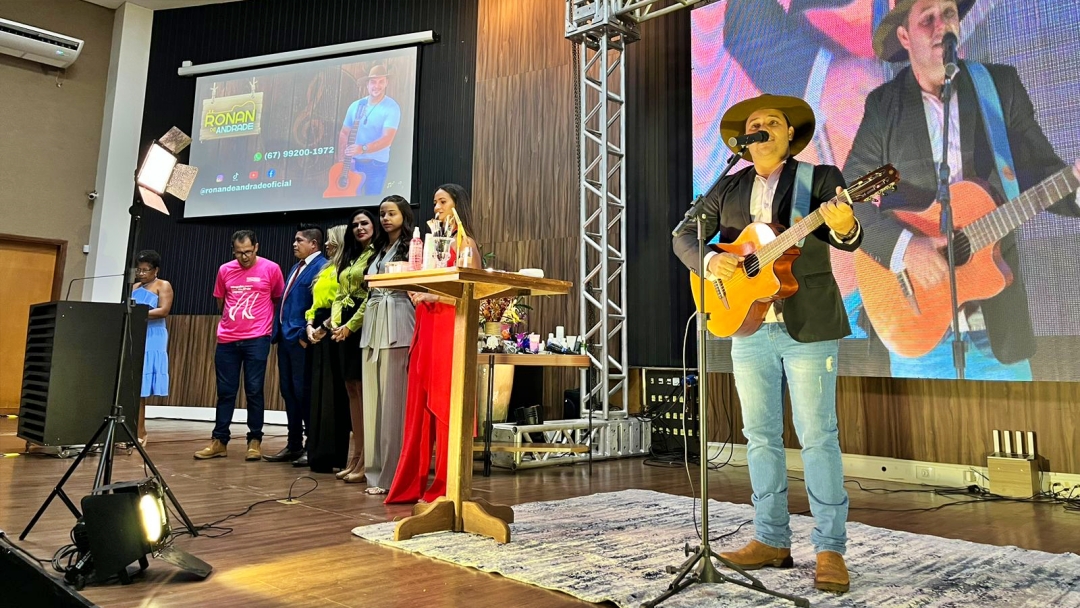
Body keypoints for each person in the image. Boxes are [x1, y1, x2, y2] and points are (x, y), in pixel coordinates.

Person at [672, 95, 862, 593]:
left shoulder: (819, 179)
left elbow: (849, 236)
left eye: (771, 123)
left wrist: (845, 224)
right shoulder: (729, 186)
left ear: (789, 135)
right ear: (743, 141)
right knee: (759, 435)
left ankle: (829, 549)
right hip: (747, 324)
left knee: (818, 435)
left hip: (809, 323)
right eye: (753, 125)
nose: (761, 129)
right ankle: (772, 539)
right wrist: (713, 263)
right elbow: (684, 236)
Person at [844, 0, 1080, 380]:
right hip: (915, 324)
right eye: (928, 19)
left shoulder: (997, 88)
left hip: (997, 325)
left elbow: (1040, 173)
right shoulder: (885, 108)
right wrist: (906, 250)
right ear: (904, 36)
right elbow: (849, 201)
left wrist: (1076, 185)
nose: (943, 26)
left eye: (949, 13)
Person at [386, 183, 480, 505]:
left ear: (457, 205)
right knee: (418, 406)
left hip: (448, 328)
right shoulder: (430, 245)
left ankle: (444, 484)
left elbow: (471, 291)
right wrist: (417, 291)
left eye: (442, 201)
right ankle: (409, 483)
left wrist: (432, 294)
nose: (436, 207)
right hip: (426, 325)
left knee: (444, 405)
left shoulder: (465, 243)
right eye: (434, 202)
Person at [195, 230, 284, 461]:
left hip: (257, 338)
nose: (244, 257)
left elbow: (277, 298)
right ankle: (219, 441)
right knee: (225, 392)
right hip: (227, 340)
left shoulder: (271, 269)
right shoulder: (225, 270)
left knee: (254, 390)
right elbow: (220, 300)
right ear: (233, 251)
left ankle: (254, 441)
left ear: (256, 247)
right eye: (239, 253)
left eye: (248, 252)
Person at [361, 196, 417, 495]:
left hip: (397, 322)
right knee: (374, 402)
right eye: (381, 213)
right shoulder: (378, 249)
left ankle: (391, 475)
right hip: (373, 324)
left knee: (393, 405)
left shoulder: (414, 246)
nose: (384, 218)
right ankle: (374, 471)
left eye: (391, 213)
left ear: (403, 215)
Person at [265, 224, 328, 466]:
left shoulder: (321, 267)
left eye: (299, 240)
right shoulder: (295, 266)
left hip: (302, 340)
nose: (294, 244)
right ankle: (293, 445)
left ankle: (310, 446)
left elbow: (319, 305)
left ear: (314, 244)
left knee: (304, 394)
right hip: (285, 340)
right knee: (288, 392)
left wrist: (303, 333)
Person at [332, 209, 379, 483]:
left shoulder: (377, 254)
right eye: (355, 225)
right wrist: (338, 323)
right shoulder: (349, 255)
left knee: (362, 389)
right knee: (351, 388)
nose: (359, 228)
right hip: (344, 327)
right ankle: (355, 454)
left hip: (364, 323)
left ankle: (366, 459)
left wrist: (351, 326)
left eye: (364, 223)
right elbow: (340, 294)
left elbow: (370, 295)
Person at [305, 226, 352, 473]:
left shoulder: (345, 269)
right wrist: (309, 323)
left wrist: (324, 326)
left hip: (333, 330)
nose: (326, 246)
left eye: (331, 241)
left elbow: (340, 302)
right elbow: (315, 302)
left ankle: (332, 454)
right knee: (317, 393)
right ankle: (316, 452)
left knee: (333, 395)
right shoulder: (326, 269)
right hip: (318, 328)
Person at [337, 64, 401, 196]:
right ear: (367, 84)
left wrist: (362, 148)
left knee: (372, 204)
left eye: (381, 81)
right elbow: (344, 133)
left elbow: (387, 139)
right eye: (373, 82)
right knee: (351, 203)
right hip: (353, 164)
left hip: (376, 165)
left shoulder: (392, 107)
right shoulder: (356, 106)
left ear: (386, 83)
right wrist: (342, 158)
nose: (376, 86)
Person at [131, 250, 173, 446]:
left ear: (156, 270)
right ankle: (130, 430)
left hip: (153, 336)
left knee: (141, 387)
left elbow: (164, 310)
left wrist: (139, 314)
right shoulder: (135, 286)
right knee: (132, 386)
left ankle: (141, 431)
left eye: (145, 270)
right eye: (138, 269)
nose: (141, 274)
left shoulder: (163, 285)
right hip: (136, 334)